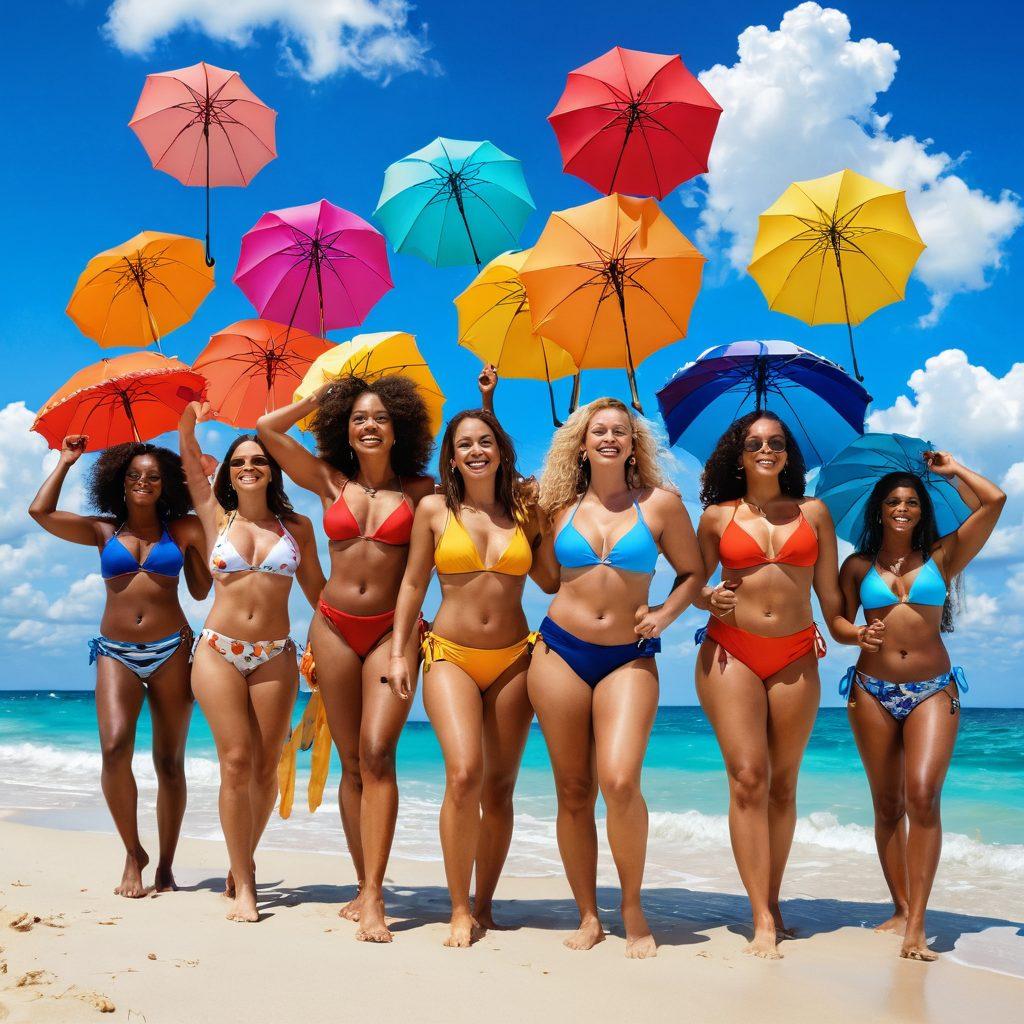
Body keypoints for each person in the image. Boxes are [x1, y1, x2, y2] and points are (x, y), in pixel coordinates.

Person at [256, 375, 434, 942]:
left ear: (398, 426)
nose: (369, 425)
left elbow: (485, 472)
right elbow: (265, 430)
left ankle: (377, 895)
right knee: (352, 762)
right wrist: (320, 399)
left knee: (379, 753)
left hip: (390, 633)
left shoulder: (422, 490)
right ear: (345, 430)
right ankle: (364, 883)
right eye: (358, 417)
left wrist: (484, 404)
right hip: (331, 627)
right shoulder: (329, 482)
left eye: (380, 416)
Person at [527, 398, 704, 958]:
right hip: (558, 651)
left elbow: (693, 572)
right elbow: (549, 581)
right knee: (573, 790)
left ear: (634, 443)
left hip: (630, 656)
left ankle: (631, 904)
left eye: (620, 431)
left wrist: (663, 615)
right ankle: (586, 913)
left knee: (621, 780)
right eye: (598, 431)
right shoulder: (558, 507)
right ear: (581, 444)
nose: (609, 438)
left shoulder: (661, 505)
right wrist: (532, 527)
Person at [388, 371, 558, 947]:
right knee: (463, 773)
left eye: (484, 441)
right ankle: (458, 906)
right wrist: (398, 652)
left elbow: (551, 579)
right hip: (450, 656)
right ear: (452, 458)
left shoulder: (522, 510)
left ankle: (485, 902)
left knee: (500, 789)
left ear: (498, 450)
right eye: (465, 444)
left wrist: (549, 521)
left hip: (514, 657)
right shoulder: (435, 510)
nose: (476, 450)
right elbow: (412, 586)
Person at [835, 453, 1004, 960]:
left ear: (921, 510)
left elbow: (994, 501)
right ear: (879, 511)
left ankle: (918, 927)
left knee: (924, 796)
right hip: (871, 690)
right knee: (888, 805)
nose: (903, 508)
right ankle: (902, 908)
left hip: (933, 687)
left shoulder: (943, 556)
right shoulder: (857, 566)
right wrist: (858, 632)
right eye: (894, 501)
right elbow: (839, 622)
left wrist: (952, 470)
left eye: (911, 501)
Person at [29, 435, 210, 898]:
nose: (142, 482)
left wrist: (198, 527)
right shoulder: (103, 531)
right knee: (113, 749)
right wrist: (67, 461)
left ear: (164, 483)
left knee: (170, 763)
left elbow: (202, 589)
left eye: (152, 476)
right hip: (115, 651)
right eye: (133, 475)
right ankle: (134, 852)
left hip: (172, 649)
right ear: (119, 482)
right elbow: (40, 513)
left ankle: (166, 867)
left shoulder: (185, 527)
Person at [694, 411, 844, 959]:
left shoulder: (815, 513)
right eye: (755, 442)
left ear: (787, 454)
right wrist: (709, 598)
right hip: (730, 649)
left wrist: (855, 633)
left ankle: (772, 898)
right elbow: (692, 586)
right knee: (748, 778)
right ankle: (759, 917)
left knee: (783, 786)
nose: (766, 449)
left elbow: (830, 600)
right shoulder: (716, 517)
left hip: (797, 653)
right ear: (738, 454)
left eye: (776, 443)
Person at [179, 403, 324, 923]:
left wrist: (321, 649)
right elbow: (191, 463)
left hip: (276, 654)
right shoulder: (215, 516)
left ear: (273, 469)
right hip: (218, 649)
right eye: (240, 461)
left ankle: (242, 859)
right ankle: (246, 884)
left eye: (259, 460)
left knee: (265, 766)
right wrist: (187, 418)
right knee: (236, 761)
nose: (248, 467)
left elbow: (320, 595)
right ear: (229, 472)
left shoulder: (298, 527)